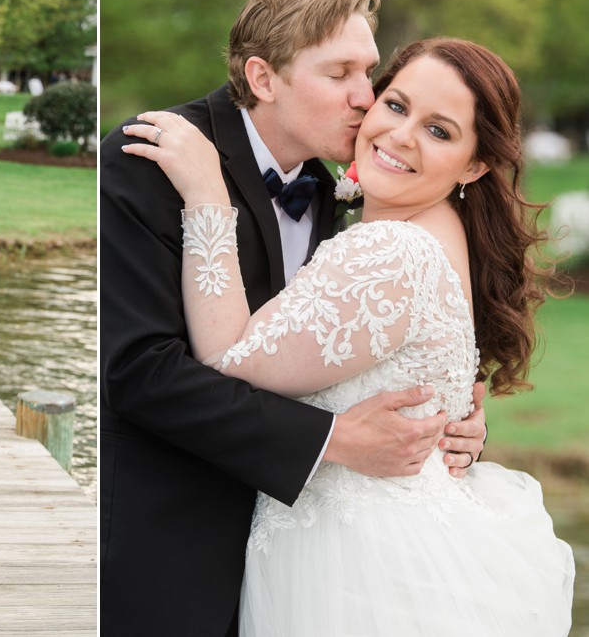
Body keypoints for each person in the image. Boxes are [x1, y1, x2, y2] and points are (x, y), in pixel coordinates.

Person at [123, 36, 575, 634]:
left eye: (439, 131)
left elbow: (231, 355)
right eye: (396, 105)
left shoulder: (391, 248)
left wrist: (208, 195)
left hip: (356, 568)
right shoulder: (421, 225)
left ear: (475, 164)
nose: (401, 135)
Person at [99, 0, 488, 636]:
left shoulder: (346, 192)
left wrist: (449, 426)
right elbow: (140, 371)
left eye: (370, 73)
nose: (366, 98)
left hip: (311, 569)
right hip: (170, 554)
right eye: (339, 75)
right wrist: (333, 440)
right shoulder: (153, 160)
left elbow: (358, 343)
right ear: (262, 78)